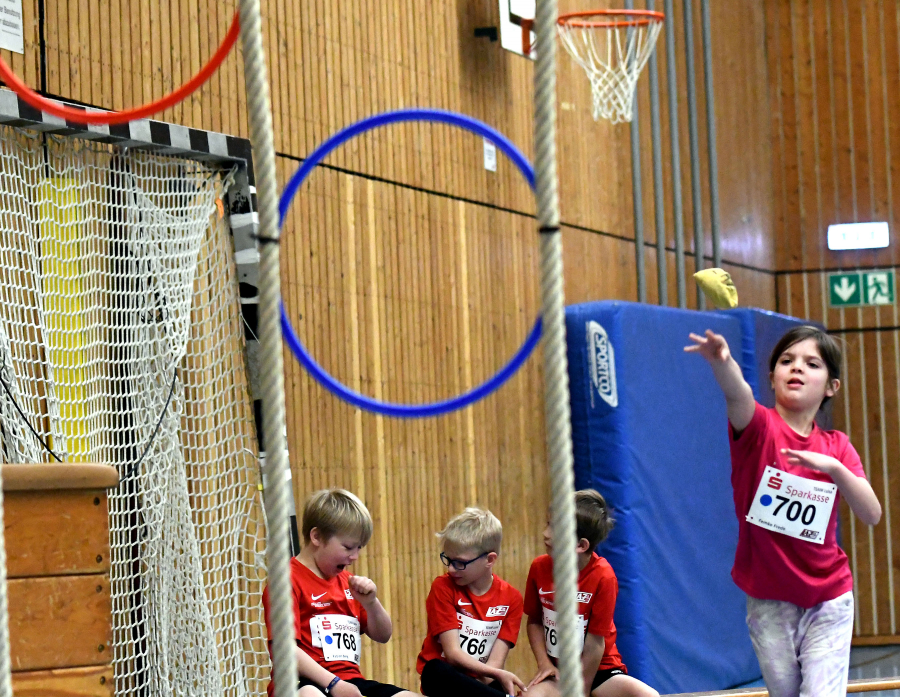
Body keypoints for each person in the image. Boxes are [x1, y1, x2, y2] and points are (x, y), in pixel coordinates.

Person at [685, 325, 881, 697]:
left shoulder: (837, 447)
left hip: (829, 597)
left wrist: (835, 470)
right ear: (772, 377)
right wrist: (722, 362)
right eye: (787, 361)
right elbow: (736, 393)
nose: (797, 369)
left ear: (831, 387)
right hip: (769, 600)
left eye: (812, 364)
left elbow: (871, 514)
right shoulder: (757, 427)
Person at [262, 488, 421, 697]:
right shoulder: (285, 581)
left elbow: (383, 635)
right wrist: (334, 683)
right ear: (317, 537)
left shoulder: (349, 584)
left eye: (359, 548)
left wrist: (371, 603)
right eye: (348, 547)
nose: (355, 556)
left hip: (349, 682)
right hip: (301, 684)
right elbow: (285, 652)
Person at [523, 490, 657, 697]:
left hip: (599, 671)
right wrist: (544, 664)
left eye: (556, 529)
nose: (546, 534)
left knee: (648, 696)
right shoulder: (539, 568)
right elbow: (534, 621)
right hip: (559, 674)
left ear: (580, 545)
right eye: (548, 524)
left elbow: (595, 643)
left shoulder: (603, 576)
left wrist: (582, 690)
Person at [416, 507, 526, 697]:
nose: (451, 569)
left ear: (490, 560)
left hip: (483, 681)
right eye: (448, 560)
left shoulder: (512, 599)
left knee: (497, 683)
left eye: (460, 563)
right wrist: (497, 675)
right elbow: (452, 653)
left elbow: (494, 665)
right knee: (434, 669)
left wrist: (490, 680)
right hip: (447, 680)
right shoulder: (443, 587)